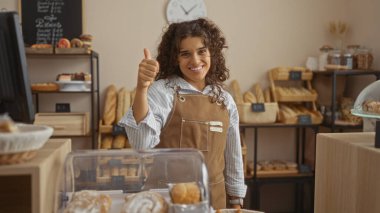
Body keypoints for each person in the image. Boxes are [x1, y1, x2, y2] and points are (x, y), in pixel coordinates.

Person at [119, 18, 246, 209]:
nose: (195, 60)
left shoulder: (225, 100)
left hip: (214, 201)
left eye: (202, 51)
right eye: (185, 54)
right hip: (166, 202)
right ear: (175, 58)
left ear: (212, 53)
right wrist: (142, 89)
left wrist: (236, 198)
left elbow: (233, 155)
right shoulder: (163, 91)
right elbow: (141, 144)